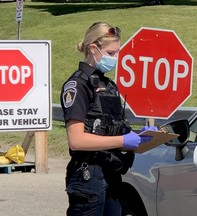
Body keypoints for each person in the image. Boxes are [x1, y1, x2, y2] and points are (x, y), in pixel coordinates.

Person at [60, 21, 156, 216]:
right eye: (111, 53)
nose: (116, 58)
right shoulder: (78, 86)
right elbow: (76, 140)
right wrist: (123, 140)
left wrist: (139, 137)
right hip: (88, 177)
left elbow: (111, 129)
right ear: (93, 49)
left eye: (118, 52)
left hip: (112, 174)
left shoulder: (108, 85)